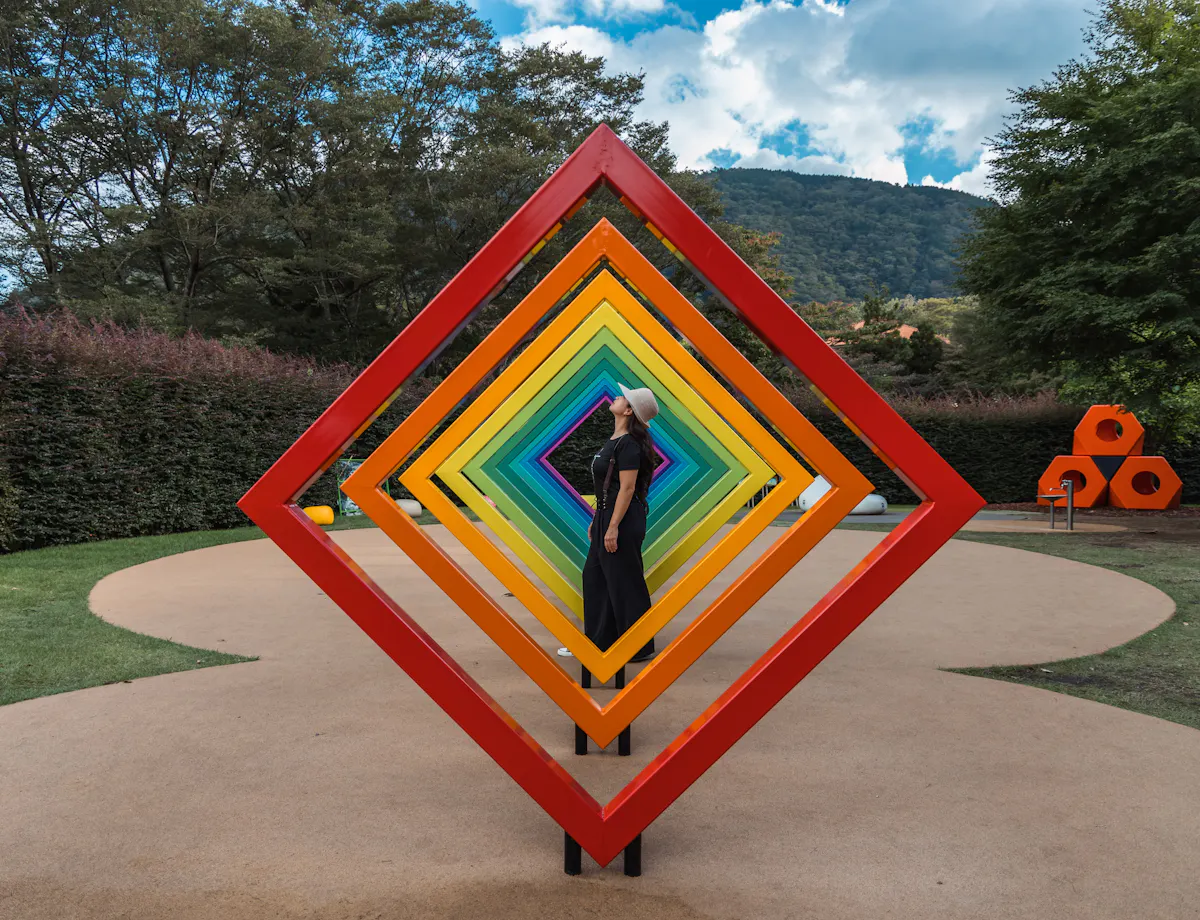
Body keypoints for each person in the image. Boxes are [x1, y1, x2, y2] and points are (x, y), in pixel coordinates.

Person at [557, 384, 659, 664]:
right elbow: (608, 487)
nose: (616, 397)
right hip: (608, 516)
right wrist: (597, 519)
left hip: (622, 520)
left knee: (624, 580)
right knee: (596, 577)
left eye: (622, 397)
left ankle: (637, 647)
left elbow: (626, 489)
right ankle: (599, 642)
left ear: (628, 411)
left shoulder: (628, 445)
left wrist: (612, 526)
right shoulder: (614, 441)